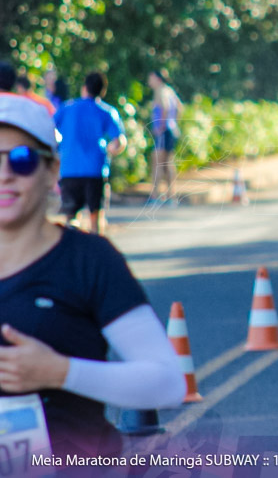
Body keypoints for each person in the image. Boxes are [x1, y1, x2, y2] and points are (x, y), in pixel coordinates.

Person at [0, 93, 184, 459]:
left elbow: (167, 384)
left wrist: (60, 372)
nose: (4, 174)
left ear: (53, 171)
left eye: (21, 160)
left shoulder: (89, 260)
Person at [53, 72, 127, 235]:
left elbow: (49, 129)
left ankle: (71, 251)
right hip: (95, 169)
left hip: (69, 169)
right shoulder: (107, 111)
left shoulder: (67, 107)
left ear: (84, 87)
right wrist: (111, 150)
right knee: (95, 216)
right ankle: (96, 254)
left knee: (70, 217)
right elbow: (119, 141)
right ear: (102, 91)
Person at [147, 69, 183, 203]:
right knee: (168, 163)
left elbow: (165, 107)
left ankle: (155, 195)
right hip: (171, 130)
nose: (149, 81)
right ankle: (171, 195)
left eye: (151, 78)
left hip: (163, 131)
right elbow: (180, 107)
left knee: (157, 162)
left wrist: (161, 126)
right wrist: (174, 123)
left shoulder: (160, 91)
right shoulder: (170, 90)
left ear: (157, 79)